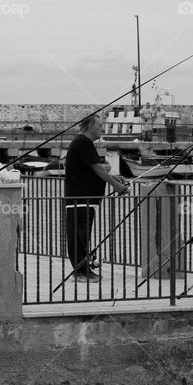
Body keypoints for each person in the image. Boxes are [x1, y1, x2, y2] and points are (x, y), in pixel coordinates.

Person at [64, 115, 128, 282]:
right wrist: (115, 185)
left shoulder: (85, 144)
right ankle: (81, 272)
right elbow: (98, 169)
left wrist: (115, 178)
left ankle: (84, 270)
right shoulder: (83, 143)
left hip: (86, 199)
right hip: (80, 199)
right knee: (79, 236)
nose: (102, 129)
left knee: (83, 235)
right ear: (90, 126)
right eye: (100, 125)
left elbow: (94, 170)